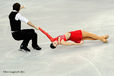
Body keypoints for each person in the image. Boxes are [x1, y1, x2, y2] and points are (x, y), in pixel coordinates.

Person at [38, 27, 109, 49]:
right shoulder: (62, 42)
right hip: (74, 35)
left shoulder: (52, 39)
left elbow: (46, 34)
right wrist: (78, 44)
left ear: (52, 42)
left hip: (74, 37)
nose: (56, 43)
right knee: (90, 35)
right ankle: (102, 39)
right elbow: (69, 44)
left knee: (88, 37)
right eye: (56, 45)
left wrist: (39, 28)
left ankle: (103, 37)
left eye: (54, 43)